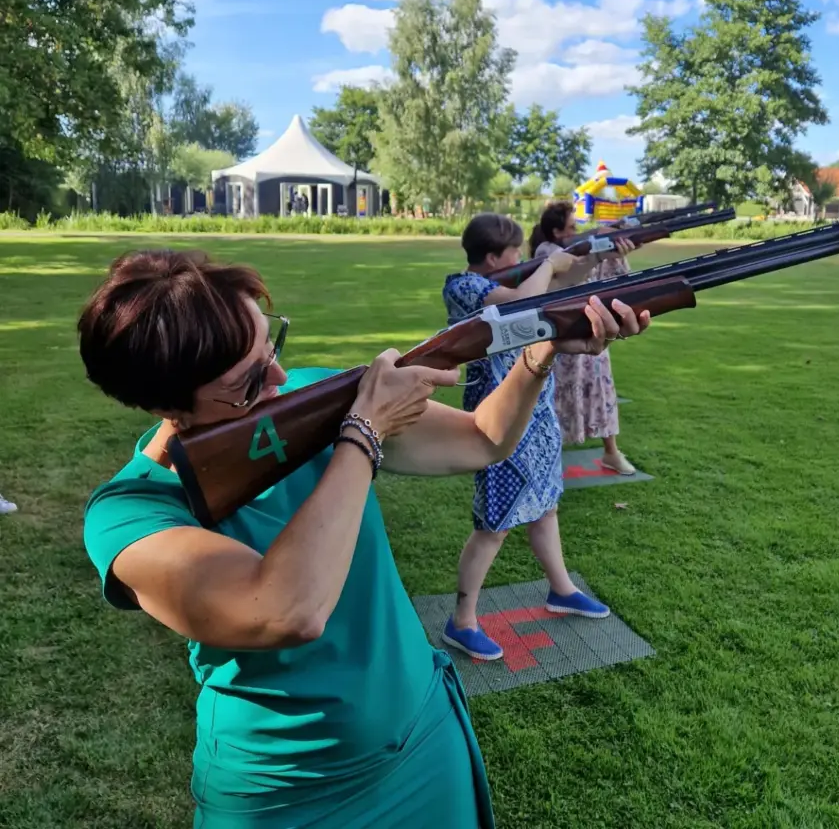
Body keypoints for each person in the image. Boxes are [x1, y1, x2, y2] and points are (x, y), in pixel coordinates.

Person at [77, 247, 650, 828]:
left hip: (424, 735)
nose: (280, 377)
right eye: (248, 380)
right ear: (167, 404)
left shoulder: (305, 402)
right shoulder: (132, 516)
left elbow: (483, 441)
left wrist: (539, 353)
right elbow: (288, 610)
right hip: (289, 792)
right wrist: (362, 434)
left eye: (271, 346)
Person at [439, 214, 638, 662]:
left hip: (537, 409)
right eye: (515, 256)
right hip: (499, 418)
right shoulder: (463, 287)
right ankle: (463, 620)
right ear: (493, 258)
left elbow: (558, 296)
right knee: (495, 523)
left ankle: (562, 589)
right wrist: (548, 264)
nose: (522, 260)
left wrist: (589, 259)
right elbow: (519, 307)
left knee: (546, 506)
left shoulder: (508, 282)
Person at [530, 200, 636, 475]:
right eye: (572, 227)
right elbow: (570, 274)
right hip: (563, 336)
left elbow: (612, 282)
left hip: (590, 331)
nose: (577, 231)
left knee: (601, 392)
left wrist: (614, 251)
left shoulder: (575, 251)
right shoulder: (547, 252)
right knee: (555, 400)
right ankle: (546, 458)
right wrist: (598, 249)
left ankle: (611, 452)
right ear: (556, 232)